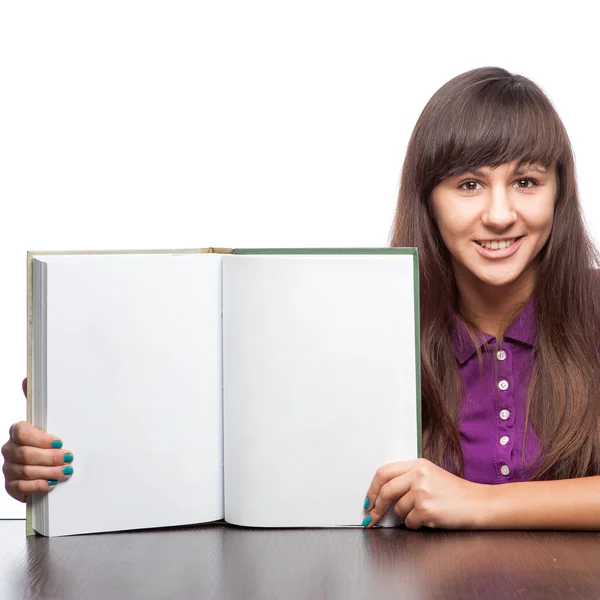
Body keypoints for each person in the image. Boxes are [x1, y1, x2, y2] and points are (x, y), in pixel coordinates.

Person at [4, 66, 600, 530]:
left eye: (526, 182)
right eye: (469, 184)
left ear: (558, 193)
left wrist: (479, 505)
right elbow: (247, 458)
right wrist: (68, 450)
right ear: (429, 200)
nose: (500, 214)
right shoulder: (360, 320)